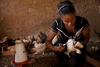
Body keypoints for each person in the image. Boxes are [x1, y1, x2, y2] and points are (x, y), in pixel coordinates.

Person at [46, 0, 90, 67]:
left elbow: (86, 38)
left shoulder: (82, 22)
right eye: (66, 21)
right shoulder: (57, 24)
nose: (70, 24)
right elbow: (48, 41)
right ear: (61, 18)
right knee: (58, 48)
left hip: (78, 45)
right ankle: (62, 60)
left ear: (75, 13)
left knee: (74, 59)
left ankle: (76, 61)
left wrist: (79, 44)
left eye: (72, 19)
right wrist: (56, 48)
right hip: (64, 43)